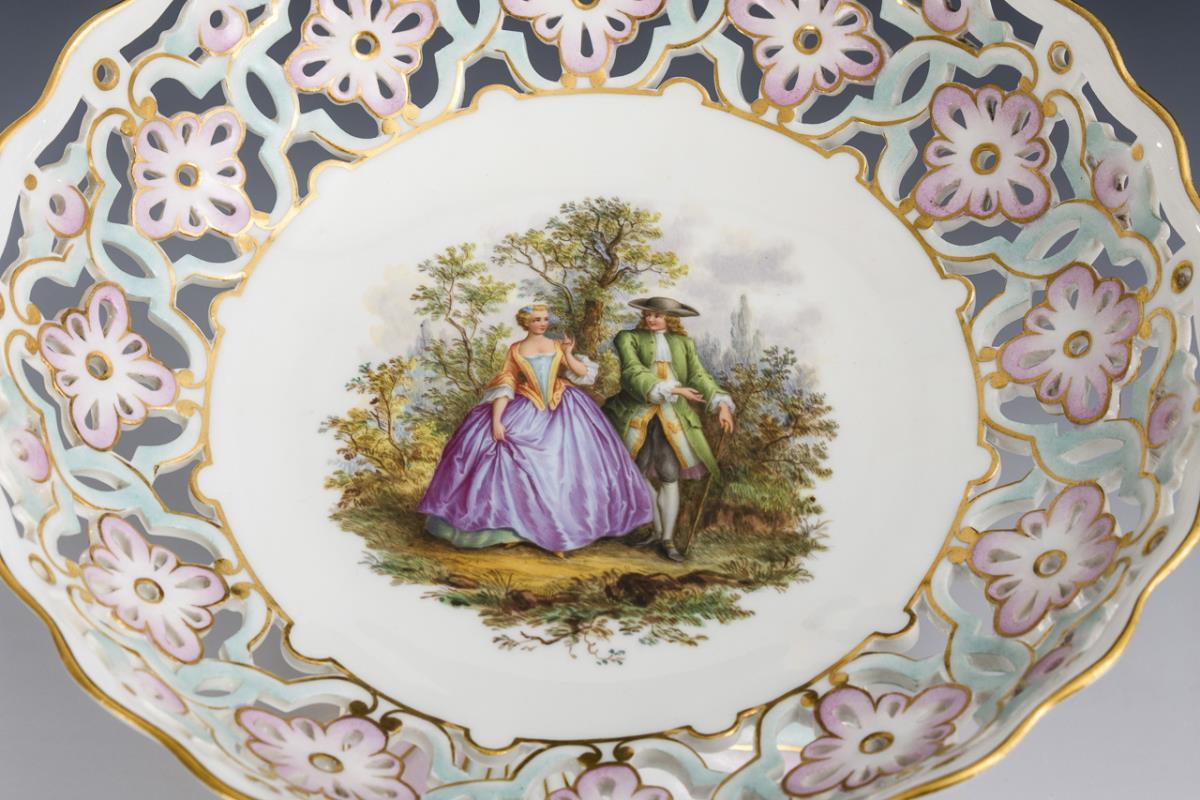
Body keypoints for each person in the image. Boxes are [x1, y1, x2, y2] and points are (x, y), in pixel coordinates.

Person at [418, 304, 653, 552]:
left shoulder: (557, 346)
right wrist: (496, 420)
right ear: (526, 323)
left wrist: (568, 352)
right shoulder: (516, 349)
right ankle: (515, 530)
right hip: (527, 408)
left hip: (564, 408)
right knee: (498, 454)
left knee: (570, 462)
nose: (543, 323)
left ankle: (566, 528)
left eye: (545, 319)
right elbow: (506, 383)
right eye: (537, 320)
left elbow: (582, 373)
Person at [603, 297, 735, 561]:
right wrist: (674, 389)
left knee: (669, 475)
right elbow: (632, 373)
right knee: (633, 472)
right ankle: (655, 527)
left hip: (672, 419)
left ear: (671, 319)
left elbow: (698, 376)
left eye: (658, 315)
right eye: (648, 314)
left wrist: (721, 403)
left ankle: (667, 538)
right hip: (634, 416)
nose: (651, 319)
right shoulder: (627, 338)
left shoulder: (683, 344)